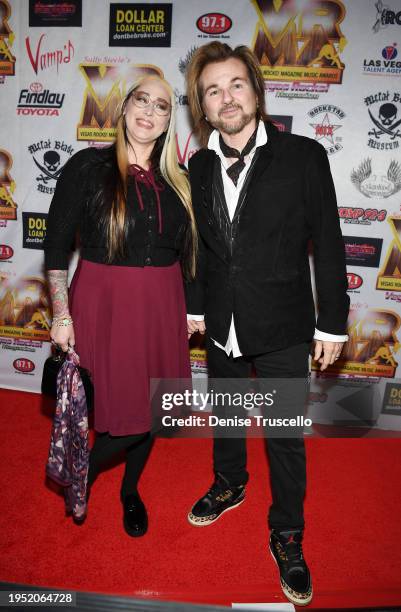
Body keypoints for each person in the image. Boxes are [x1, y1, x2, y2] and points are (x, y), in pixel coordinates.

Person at [185, 42, 350, 606]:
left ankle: (286, 531)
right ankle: (230, 482)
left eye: (235, 84)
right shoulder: (199, 164)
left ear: (255, 90)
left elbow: (327, 242)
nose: (225, 97)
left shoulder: (304, 156)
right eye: (212, 90)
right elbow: (199, 247)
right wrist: (196, 304)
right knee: (226, 413)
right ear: (202, 108)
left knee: (282, 436)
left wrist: (333, 323)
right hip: (222, 321)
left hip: (283, 325)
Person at [44, 74, 197, 537]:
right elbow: (54, 247)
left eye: (162, 106)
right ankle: (85, 473)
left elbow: (192, 256)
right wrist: (60, 312)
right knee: (118, 411)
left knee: (152, 411)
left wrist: (192, 310)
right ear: (125, 106)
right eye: (141, 100)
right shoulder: (88, 167)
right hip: (104, 302)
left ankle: (125, 488)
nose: (149, 111)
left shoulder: (180, 181)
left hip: (162, 306)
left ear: (171, 119)